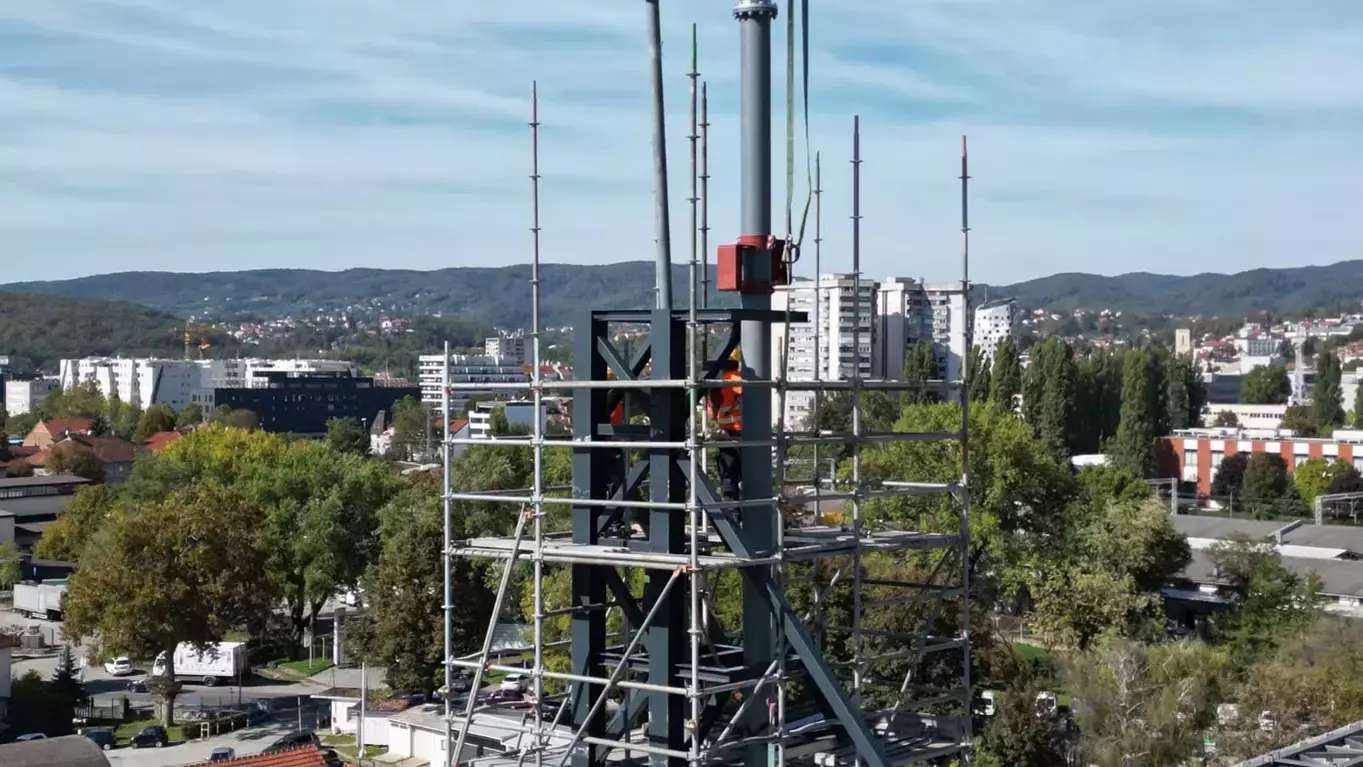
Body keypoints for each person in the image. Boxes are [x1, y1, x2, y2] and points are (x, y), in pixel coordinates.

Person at [707, 350, 744, 501]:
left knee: (729, 479)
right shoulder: (744, 380)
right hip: (752, 432)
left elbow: (712, 413)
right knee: (752, 477)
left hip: (729, 434)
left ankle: (733, 516)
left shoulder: (719, 383)